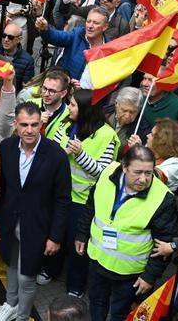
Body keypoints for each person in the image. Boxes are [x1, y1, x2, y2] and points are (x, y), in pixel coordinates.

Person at [0, 103, 71, 321]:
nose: (29, 130)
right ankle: (11, 303)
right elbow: (2, 188)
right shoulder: (6, 147)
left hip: (37, 226)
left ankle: (23, 315)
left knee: (27, 276)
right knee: (10, 265)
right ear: (15, 124)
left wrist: (55, 236)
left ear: (41, 124)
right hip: (9, 221)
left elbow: (63, 200)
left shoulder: (56, 155)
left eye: (34, 125)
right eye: (24, 124)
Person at [75, 146, 176, 321]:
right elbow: (91, 206)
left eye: (148, 173)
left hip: (130, 273)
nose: (143, 179)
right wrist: (82, 234)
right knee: (96, 303)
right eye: (137, 172)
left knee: (120, 314)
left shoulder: (163, 198)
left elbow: (164, 243)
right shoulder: (106, 175)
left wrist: (150, 276)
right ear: (124, 167)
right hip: (98, 260)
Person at [46, 89, 120, 296]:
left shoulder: (107, 136)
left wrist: (80, 155)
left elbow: (101, 172)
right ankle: (50, 270)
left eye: (73, 105)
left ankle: (76, 286)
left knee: (76, 243)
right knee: (54, 234)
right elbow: (51, 157)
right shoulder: (65, 125)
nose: (69, 108)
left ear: (86, 109)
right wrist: (65, 154)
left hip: (83, 200)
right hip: (59, 195)